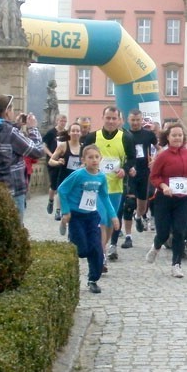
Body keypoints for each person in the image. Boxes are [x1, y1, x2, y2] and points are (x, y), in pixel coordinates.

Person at [58, 143, 120, 294]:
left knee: (96, 248)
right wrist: (66, 211)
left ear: (101, 159)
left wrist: (113, 216)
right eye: (90, 157)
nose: (94, 160)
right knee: (82, 250)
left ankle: (93, 279)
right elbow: (62, 189)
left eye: (96, 157)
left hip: (92, 215)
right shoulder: (79, 175)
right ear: (83, 160)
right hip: (76, 215)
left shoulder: (101, 177)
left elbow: (105, 197)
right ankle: (69, 232)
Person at [146, 123, 187, 278]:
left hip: (183, 198)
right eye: (174, 135)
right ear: (168, 138)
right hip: (165, 198)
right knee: (163, 233)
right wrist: (163, 186)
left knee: (179, 231)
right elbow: (154, 176)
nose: (177, 138)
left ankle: (176, 265)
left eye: (180, 135)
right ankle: (156, 246)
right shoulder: (163, 156)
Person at [82, 106, 136, 262]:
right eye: (108, 118)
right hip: (95, 186)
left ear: (119, 120)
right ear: (103, 118)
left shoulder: (126, 137)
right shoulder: (93, 136)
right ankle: (102, 254)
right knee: (100, 220)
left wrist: (124, 170)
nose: (111, 121)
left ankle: (102, 249)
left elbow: (132, 158)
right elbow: (83, 157)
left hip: (116, 186)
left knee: (110, 220)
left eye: (114, 118)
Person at [0, 94, 44, 223]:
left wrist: (16, 125)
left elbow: (4, 139)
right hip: (14, 188)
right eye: (12, 109)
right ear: (7, 112)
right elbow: (37, 151)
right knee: (15, 229)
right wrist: (33, 129)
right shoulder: (10, 131)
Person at [126, 109, 158, 239]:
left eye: (137, 120)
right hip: (129, 171)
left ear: (141, 120)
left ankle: (138, 216)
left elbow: (160, 149)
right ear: (128, 120)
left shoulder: (148, 134)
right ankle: (128, 236)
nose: (135, 123)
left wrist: (155, 161)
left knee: (142, 206)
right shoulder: (124, 134)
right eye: (132, 120)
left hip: (144, 172)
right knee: (129, 203)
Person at [48, 122, 85, 220]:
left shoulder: (83, 147)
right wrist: (58, 162)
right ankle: (58, 210)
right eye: (73, 131)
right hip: (64, 176)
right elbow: (50, 161)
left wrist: (84, 165)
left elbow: (88, 161)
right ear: (69, 133)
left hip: (77, 178)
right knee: (61, 192)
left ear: (81, 133)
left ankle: (70, 222)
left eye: (77, 131)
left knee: (74, 205)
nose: (75, 133)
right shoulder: (63, 146)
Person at [43, 114, 68, 215]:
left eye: (64, 121)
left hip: (62, 161)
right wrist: (51, 154)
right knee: (53, 185)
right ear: (57, 121)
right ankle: (50, 201)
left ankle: (59, 209)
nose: (63, 123)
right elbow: (43, 146)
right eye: (61, 121)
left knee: (61, 185)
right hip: (52, 162)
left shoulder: (66, 133)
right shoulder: (51, 133)